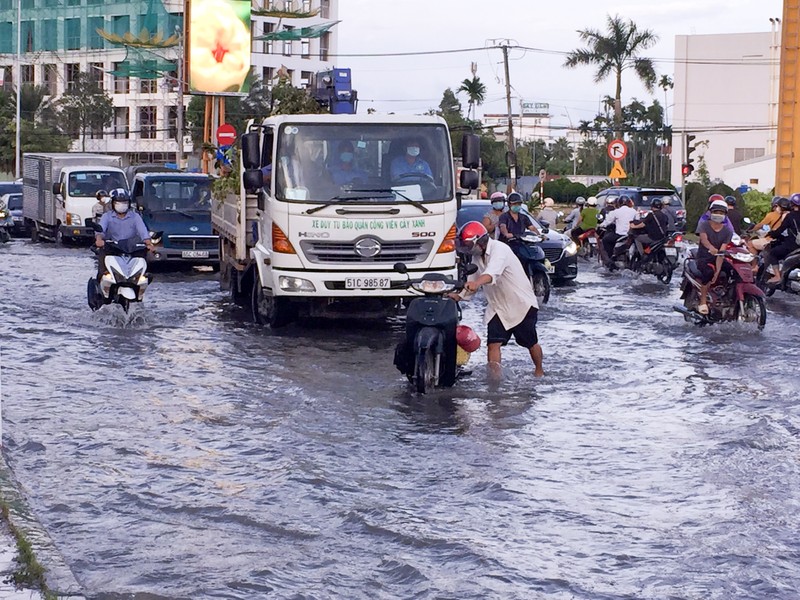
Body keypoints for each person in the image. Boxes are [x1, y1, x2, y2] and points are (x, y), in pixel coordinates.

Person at [453, 221, 543, 377]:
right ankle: (494, 379)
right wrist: (457, 296)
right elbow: (470, 282)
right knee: (493, 344)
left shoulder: (500, 250)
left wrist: (476, 283)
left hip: (520, 304)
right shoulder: (477, 258)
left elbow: (490, 274)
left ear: (479, 242)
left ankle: (539, 370)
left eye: (468, 244)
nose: (467, 249)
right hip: (498, 307)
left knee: (530, 342)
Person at [95, 189, 155, 281]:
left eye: (124, 202)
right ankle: (100, 289)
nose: (121, 205)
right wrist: (99, 239)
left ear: (129, 203)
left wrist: (149, 243)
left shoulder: (135, 217)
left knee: (144, 275)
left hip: (131, 250)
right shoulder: (107, 216)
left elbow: (143, 231)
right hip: (111, 249)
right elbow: (101, 230)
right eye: (118, 202)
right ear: (113, 203)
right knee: (102, 273)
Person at [695, 199, 734, 314]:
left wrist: (718, 270)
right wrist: (710, 248)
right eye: (716, 212)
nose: (718, 215)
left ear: (725, 215)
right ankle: (703, 301)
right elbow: (704, 239)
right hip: (704, 257)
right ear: (711, 212)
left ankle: (726, 295)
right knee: (708, 273)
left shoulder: (727, 231)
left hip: (717, 257)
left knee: (732, 270)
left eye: (721, 213)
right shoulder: (704, 225)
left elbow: (722, 250)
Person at [763, 193, 800, 284]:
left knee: (773, 253)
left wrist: (771, 234)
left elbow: (780, 230)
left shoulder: (790, 216)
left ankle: (777, 276)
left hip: (793, 245)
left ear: (791, 204)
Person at [599, 195, 637, 267]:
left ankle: (609, 259)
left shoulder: (615, 212)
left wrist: (601, 225)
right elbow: (637, 221)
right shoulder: (634, 211)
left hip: (620, 235)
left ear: (618, 203)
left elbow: (607, 222)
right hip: (631, 235)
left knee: (605, 240)